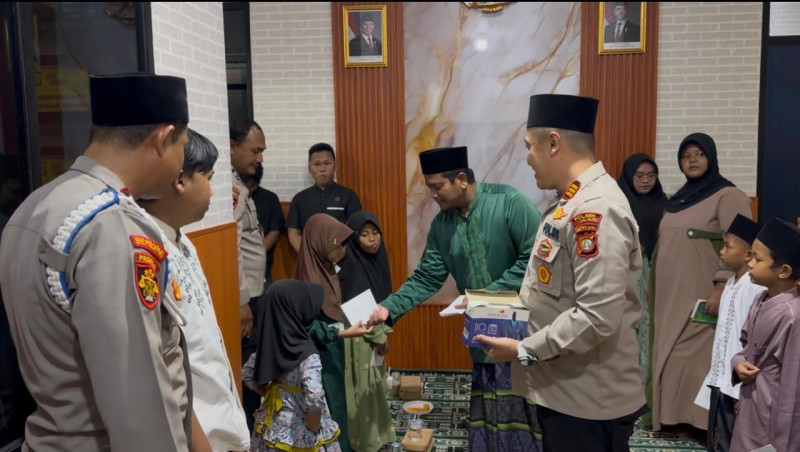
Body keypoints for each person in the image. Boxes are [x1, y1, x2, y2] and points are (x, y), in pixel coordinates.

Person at [0, 74, 194, 450]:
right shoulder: (112, 225)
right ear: (162, 138)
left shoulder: (35, 206)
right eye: (183, 146)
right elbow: (138, 398)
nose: (180, 167)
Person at [477, 94, 648, 452]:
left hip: (588, 400)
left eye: (528, 147)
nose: (526, 159)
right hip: (567, 389)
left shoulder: (596, 209)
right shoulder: (570, 201)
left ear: (553, 143)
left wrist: (524, 349)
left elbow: (597, 316)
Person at [369, 146, 543, 451]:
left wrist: (484, 295)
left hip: (525, 325)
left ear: (461, 179)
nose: (433, 195)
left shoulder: (509, 203)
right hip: (483, 327)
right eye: (430, 188)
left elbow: (535, 260)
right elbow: (426, 277)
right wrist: (388, 308)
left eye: (438, 187)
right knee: (488, 393)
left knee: (525, 402)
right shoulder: (442, 226)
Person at [139, 129, 251, 452]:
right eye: (209, 177)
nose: (214, 190)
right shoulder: (149, 253)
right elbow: (166, 370)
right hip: (198, 437)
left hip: (225, 427)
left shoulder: (184, 242)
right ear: (180, 180)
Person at [651, 133, 752, 434]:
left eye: (699, 154)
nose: (692, 160)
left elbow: (742, 242)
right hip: (669, 296)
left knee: (693, 356)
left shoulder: (728, 195)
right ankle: (670, 417)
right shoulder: (677, 200)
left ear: (711, 157)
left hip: (702, 294)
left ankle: (700, 423)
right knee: (667, 353)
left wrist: (721, 285)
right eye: (686, 155)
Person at [294, 213, 373, 452]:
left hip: (336, 353)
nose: (344, 250)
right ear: (320, 242)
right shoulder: (306, 284)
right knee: (331, 407)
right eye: (337, 243)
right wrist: (339, 333)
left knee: (343, 407)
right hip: (319, 361)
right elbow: (304, 326)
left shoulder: (328, 271)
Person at [690, 214, 763, 452]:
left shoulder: (753, 287)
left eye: (728, 246)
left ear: (748, 255)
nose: (721, 251)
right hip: (720, 376)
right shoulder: (731, 282)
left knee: (731, 439)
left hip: (736, 381)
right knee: (715, 438)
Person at [243, 280, 342, 452]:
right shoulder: (308, 354)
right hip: (303, 431)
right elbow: (315, 394)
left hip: (275, 426)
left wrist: (267, 392)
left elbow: (247, 373)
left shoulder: (271, 347)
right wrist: (314, 422)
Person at [729, 217, 800, 452]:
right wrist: (738, 363)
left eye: (758, 259)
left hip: (775, 419)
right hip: (751, 405)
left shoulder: (792, 315)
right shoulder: (761, 299)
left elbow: (792, 384)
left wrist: (783, 443)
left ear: (784, 271)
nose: (749, 263)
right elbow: (746, 346)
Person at [617, 152, 668, 427]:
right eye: (639, 176)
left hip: (656, 275)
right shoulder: (617, 201)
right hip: (623, 275)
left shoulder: (666, 204)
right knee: (625, 333)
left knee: (648, 335)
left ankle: (646, 402)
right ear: (629, 176)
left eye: (651, 175)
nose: (646, 181)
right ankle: (621, 401)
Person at [337, 211, 394, 452]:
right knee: (364, 389)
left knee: (376, 387)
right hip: (360, 338)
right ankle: (365, 442)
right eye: (364, 234)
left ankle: (378, 437)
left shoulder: (377, 260)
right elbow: (360, 312)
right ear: (354, 238)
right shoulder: (353, 266)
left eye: (376, 233)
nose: (373, 239)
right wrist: (380, 338)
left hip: (374, 335)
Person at [229, 117, 268, 430]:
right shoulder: (231, 190)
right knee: (245, 367)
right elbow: (230, 247)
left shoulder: (239, 187)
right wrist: (242, 300)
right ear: (231, 147)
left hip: (252, 295)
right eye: (255, 150)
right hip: (244, 299)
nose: (260, 158)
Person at [286, 143, 362, 253]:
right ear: (309, 168)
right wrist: (308, 255)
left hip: (342, 259)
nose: (322, 169)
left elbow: (355, 230)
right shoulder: (299, 199)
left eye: (327, 163)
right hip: (309, 260)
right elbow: (293, 232)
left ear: (335, 166)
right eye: (317, 164)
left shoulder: (349, 196)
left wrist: (339, 254)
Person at [243, 163, 285, 287]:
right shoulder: (232, 198)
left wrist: (256, 254)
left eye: (252, 186)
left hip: (262, 262)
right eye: (245, 186)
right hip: (237, 262)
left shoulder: (270, 198)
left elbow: (274, 232)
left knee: (263, 301)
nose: (248, 191)